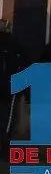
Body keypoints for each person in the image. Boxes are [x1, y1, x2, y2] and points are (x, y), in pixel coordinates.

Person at [0, 19, 24, 153]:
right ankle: (4, 146)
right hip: (10, 85)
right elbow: (21, 64)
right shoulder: (14, 43)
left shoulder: (13, 44)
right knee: (9, 117)